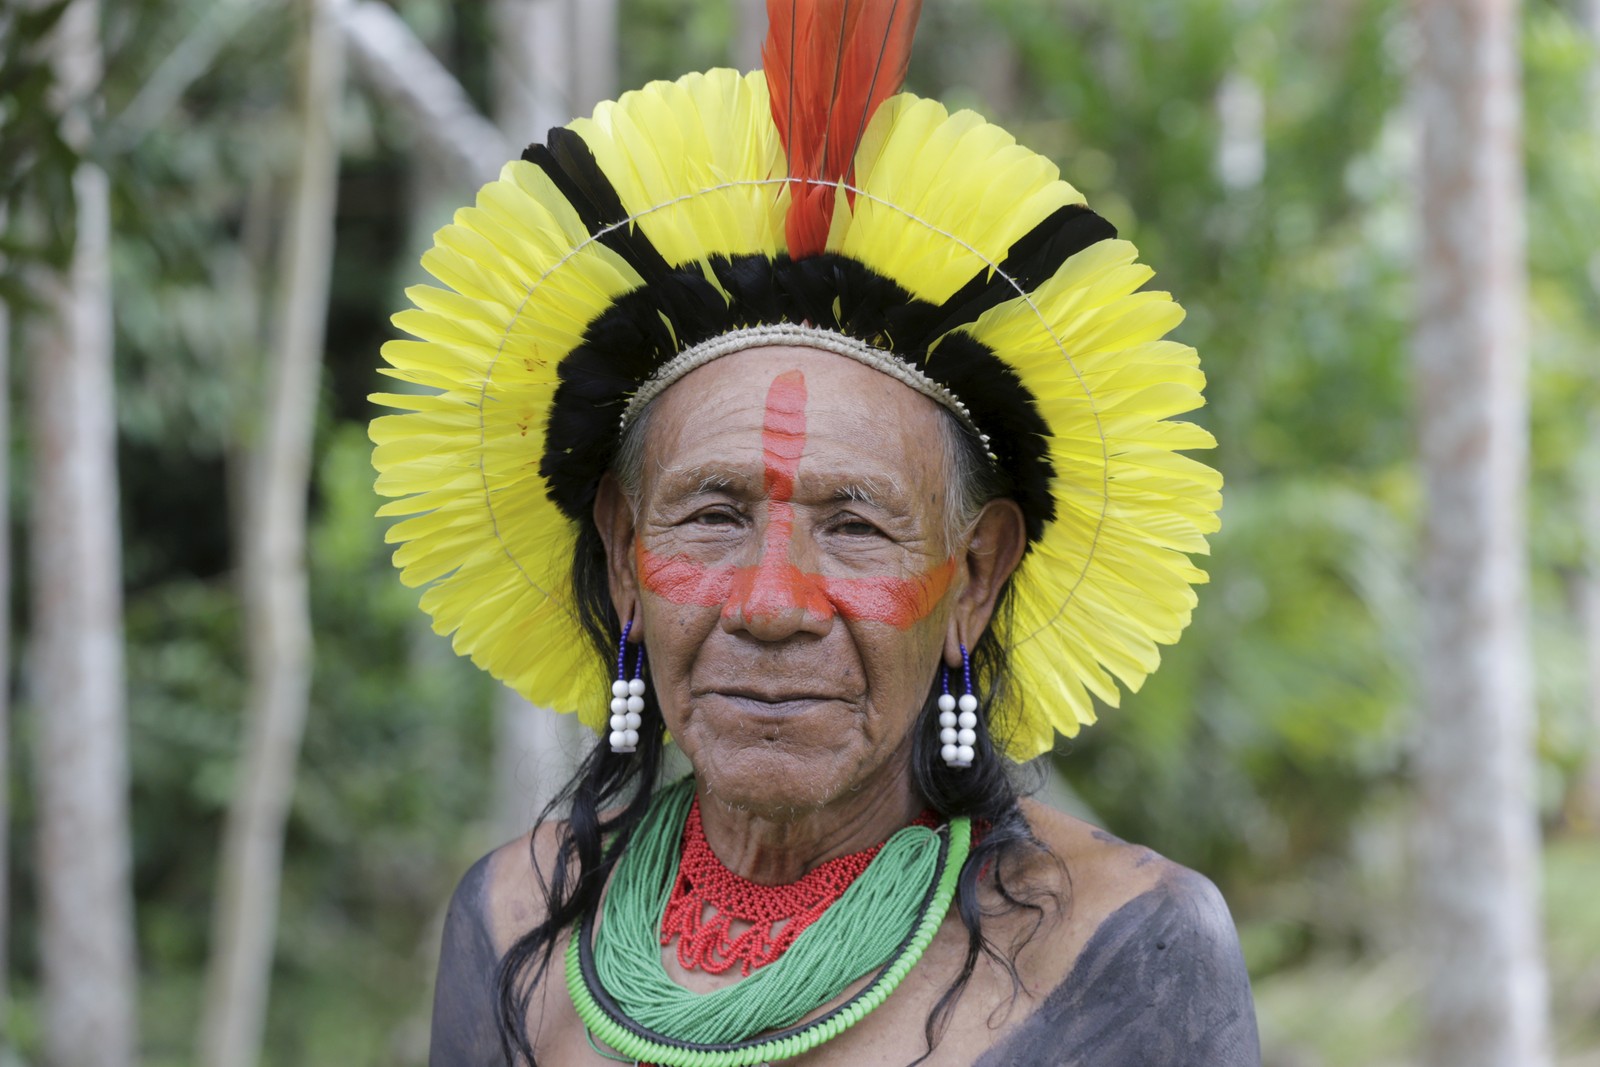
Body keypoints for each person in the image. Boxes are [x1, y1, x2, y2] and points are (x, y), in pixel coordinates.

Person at [372, 2, 1260, 1063]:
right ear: (621, 553)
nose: (773, 603)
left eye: (853, 525)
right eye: (710, 515)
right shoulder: (516, 920)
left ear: (973, 575)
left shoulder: (1116, 946)